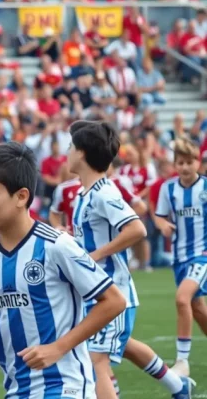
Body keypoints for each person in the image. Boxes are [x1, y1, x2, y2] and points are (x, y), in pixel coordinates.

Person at [0, 142, 127, 398]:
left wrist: (59, 348)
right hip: (16, 388)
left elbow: (114, 301)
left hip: (65, 386)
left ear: (21, 196)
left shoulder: (57, 246)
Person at [68, 121, 192, 399]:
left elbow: (137, 229)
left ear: (82, 154)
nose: (66, 152)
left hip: (113, 295)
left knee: (94, 360)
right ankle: (178, 386)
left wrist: (96, 255)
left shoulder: (104, 192)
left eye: (70, 146)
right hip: (93, 293)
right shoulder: (84, 193)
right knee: (124, 347)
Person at [153, 139, 207, 378]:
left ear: (199, 162)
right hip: (179, 258)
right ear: (175, 164)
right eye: (180, 163)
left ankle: (182, 362)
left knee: (182, 299)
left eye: (189, 162)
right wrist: (162, 224)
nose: (185, 167)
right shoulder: (169, 188)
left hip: (202, 256)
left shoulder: (205, 188)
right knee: (197, 309)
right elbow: (158, 216)